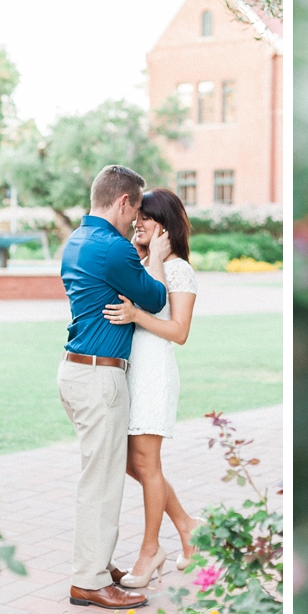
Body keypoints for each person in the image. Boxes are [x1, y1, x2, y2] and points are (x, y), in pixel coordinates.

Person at [57, 165, 171, 610]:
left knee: (99, 474)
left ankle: (98, 567)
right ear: (123, 201)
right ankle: (89, 580)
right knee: (102, 482)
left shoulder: (76, 242)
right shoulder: (113, 247)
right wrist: (157, 258)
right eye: (136, 209)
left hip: (75, 370)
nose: (136, 221)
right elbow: (157, 299)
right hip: (100, 376)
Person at [101, 188, 203, 588]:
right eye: (137, 215)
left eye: (147, 217)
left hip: (153, 373)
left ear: (167, 224)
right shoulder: (144, 261)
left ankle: (150, 551)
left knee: (147, 463)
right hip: (130, 370)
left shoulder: (179, 269)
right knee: (133, 463)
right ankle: (187, 525)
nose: (138, 222)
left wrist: (136, 314)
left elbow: (179, 332)